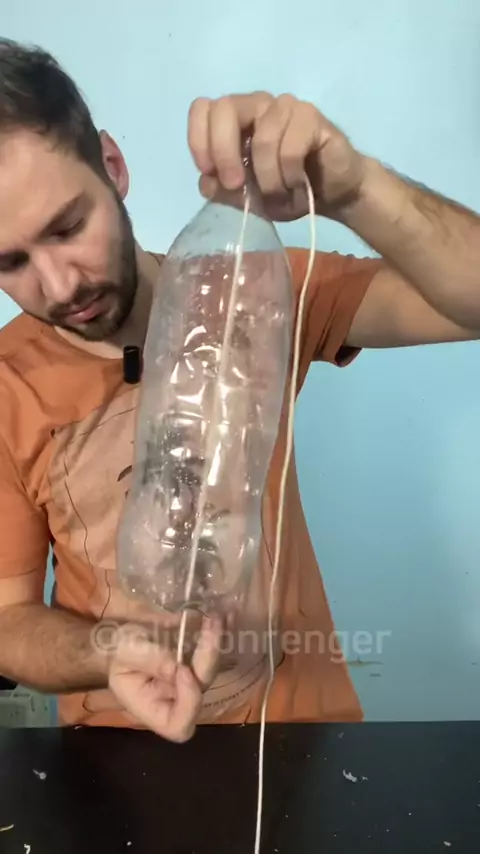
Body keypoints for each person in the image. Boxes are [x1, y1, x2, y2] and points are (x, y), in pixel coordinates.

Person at [0, 38, 478, 744]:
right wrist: (108, 652)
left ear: (112, 166)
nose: (61, 284)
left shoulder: (251, 291)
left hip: (301, 734)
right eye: (10, 262)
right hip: (116, 752)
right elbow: (8, 621)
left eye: (69, 227)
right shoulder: (8, 385)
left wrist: (354, 190)